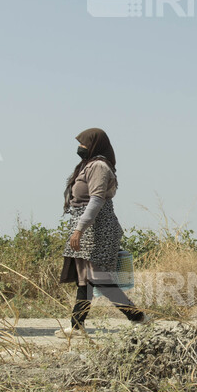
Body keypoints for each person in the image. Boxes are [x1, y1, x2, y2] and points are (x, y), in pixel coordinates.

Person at [58, 128, 148, 338]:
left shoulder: (99, 166)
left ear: (94, 145)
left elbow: (96, 200)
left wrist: (80, 228)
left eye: (83, 144)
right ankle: (76, 325)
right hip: (87, 227)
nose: (80, 148)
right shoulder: (87, 165)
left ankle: (138, 317)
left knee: (98, 278)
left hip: (98, 229)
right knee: (85, 279)